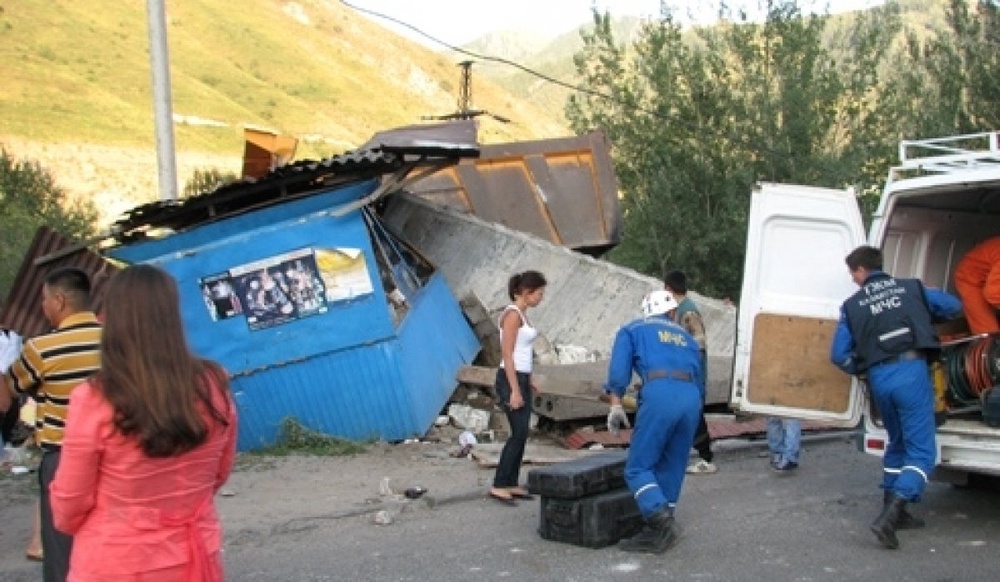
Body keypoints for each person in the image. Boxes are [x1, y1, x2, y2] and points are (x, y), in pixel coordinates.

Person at [49, 264, 238, 581]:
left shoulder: (95, 398)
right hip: (194, 555)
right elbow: (218, 473)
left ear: (111, 320)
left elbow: (69, 505)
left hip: (117, 562)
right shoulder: (212, 384)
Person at [830, 245, 962, 550]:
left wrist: (860, 369)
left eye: (852, 273)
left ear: (861, 270)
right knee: (922, 452)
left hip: (879, 377)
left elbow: (838, 354)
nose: (852, 280)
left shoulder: (851, 306)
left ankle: (893, 508)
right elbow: (954, 307)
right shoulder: (911, 288)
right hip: (911, 371)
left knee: (898, 442)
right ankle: (892, 514)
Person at [0, 267, 102, 582]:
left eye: (44, 300)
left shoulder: (41, 348)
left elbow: (5, 396)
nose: (43, 307)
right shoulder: (117, 339)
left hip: (65, 459)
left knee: (62, 551)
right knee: (112, 542)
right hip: (119, 456)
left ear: (59, 300)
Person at [605, 290, 703, 553]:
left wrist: (615, 404)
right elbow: (699, 374)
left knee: (638, 468)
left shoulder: (632, 329)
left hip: (660, 394)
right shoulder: (688, 338)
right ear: (672, 313)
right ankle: (659, 531)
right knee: (672, 464)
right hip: (692, 397)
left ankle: (660, 521)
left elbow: (618, 372)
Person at [489, 270, 547, 505]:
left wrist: (529, 379)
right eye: (539, 293)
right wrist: (514, 389)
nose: (541, 298)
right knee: (518, 432)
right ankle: (499, 483)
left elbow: (525, 353)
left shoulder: (524, 315)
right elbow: (508, 353)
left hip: (522, 376)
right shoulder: (512, 315)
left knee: (523, 433)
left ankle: (511, 481)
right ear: (526, 292)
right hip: (509, 377)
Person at [663, 270, 717, 475]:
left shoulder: (688, 312)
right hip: (682, 376)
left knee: (694, 418)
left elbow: (699, 345)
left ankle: (706, 458)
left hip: (691, 377)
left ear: (668, 288)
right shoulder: (679, 310)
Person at [952, 236, 1000, 335]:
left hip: (991, 278)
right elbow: (993, 294)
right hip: (970, 280)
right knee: (988, 333)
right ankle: (985, 349)